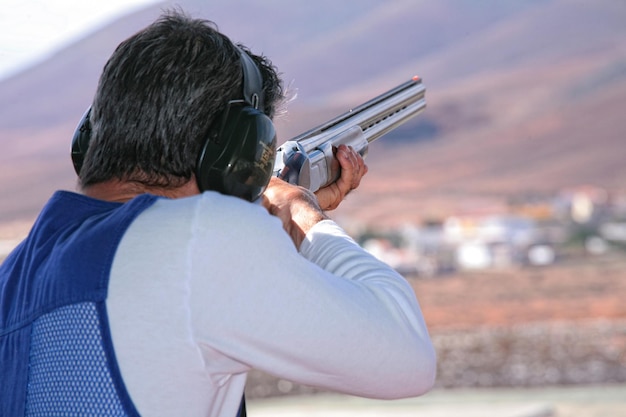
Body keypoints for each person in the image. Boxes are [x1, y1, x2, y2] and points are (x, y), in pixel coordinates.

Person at [0, 10, 436, 417]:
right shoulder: (195, 240)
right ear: (238, 149)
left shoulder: (17, 271)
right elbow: (408, 356)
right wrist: (300, 212)